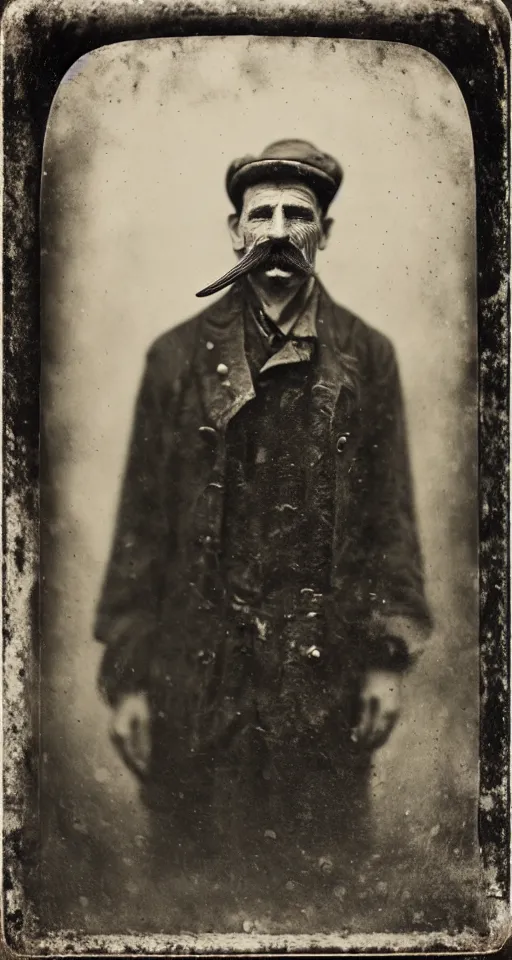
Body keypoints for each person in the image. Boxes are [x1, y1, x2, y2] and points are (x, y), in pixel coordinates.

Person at [94, 139, 432, 911]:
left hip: (319, 676)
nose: (280, 231)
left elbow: (391, 518)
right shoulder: (176, 359)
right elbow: (140, 528)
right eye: (263, 214)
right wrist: (128, 678)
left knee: (319, 892)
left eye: (299, 215)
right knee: (194, 890)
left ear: (327, 232)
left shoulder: (366, 359)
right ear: (235, 230)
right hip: (199, 675)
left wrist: (385, 657)